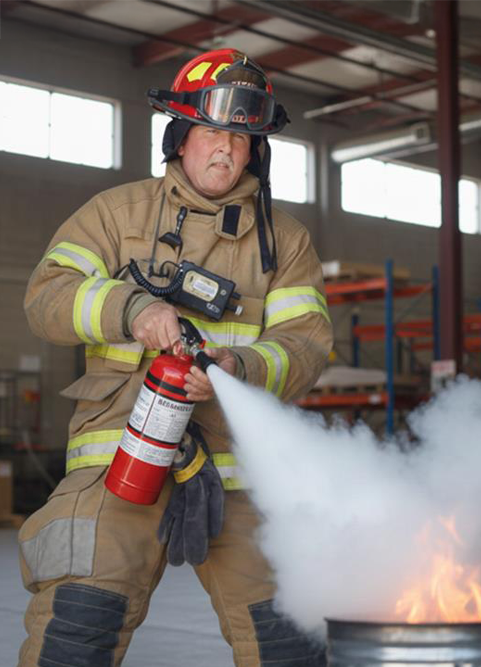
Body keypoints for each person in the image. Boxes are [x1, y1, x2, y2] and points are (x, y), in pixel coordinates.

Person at [18, 48, 333, 667]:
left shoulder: (287, 242)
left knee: (288, 637)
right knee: (77, 629)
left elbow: (306, 345)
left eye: (241, 139)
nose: (226, 149)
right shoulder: (115, 215)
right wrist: (129, 307)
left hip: (239, 473)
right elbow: (45, 297)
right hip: (121, 459)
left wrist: (239, 369)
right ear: (181, 136)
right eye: (212, 132)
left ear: (256, 150)